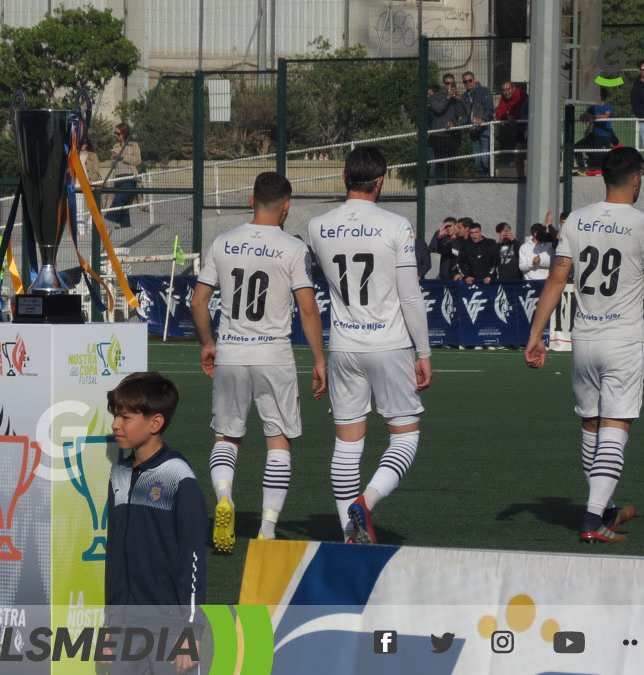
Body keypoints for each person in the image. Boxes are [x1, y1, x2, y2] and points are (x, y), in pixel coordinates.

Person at [524, 146, 644, 543]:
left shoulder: (577, 220)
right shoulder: (643, 225)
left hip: (583, 340)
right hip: (622, 340)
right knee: (616, 427)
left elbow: (555, 280)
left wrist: (536, 333)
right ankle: (591, 521)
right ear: (636, 179)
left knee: (591, 425)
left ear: (604, 177)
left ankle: (605, 509)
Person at [189, 172, 328, 550]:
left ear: (251, 201)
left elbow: (198, 302)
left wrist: (207, 343)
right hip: (273, 355)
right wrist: (319, 358)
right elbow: (308, 307)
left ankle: (223, 496)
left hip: (232, 351)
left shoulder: (223, 242)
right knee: (278, 441)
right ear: (287, 207)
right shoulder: (293, 248)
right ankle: (267, 529)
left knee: (227, 436)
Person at [307, 147, 433, 544]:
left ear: (345, 178)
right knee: (405, 436)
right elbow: (410, 297)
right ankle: (366, 503)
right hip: (391, 343)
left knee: (347, 443)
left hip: (343, 346)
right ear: (381, 182)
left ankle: (349, 532)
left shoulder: (317, 226)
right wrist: (424, 352)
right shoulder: (396, 225)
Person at [104, 372, 206, 672]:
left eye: (125, 417)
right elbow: (115, 554)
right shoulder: (119, 474)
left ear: (155, 423)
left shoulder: (179, 476)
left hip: (169, 627)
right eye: (115, 416)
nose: (115, 425)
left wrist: (190, 627)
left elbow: (194, 556)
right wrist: (111, 620)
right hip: (125, 626)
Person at [428, 78, 464, 185]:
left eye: (452, 83)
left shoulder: (455, 98)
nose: (450, 85)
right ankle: (440, 188)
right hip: (439, 136)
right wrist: (448, 97)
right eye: (448, 83)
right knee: (439, 164)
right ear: (443, 84)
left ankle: (451, 188)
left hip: (452, 135)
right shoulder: (435, 96)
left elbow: (460, 113)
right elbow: (438, 109)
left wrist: (458, 99)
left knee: (452, 164)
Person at [105, 123, 141, 228]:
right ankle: (126, 227)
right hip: (118, 177)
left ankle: (110, 218)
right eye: (115, 133)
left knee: (120, 198)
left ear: (124, 133)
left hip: (129, 177)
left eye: (118, 133)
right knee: (124, 206)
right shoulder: (115, 146)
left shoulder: (133, 145)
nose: (116, 135)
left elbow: (138, 161)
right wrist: (115, 157)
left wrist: (123, 156)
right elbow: (113, 164)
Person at [461, 71, 494, 175]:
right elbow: (465, 115)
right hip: (473, 131)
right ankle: (482, 180)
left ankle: (490, 179)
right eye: (465, 82)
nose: (468, 83)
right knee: (477, 161)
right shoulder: (464, 96)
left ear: (474, 80)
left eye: (470, 80)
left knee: (485, 159)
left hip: (484, 129)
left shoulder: (484, 91)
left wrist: (483, 119)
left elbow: (489, 110)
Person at [575, 87, 616, 172]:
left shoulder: (607, 106)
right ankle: (582, 170)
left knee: (600, 156)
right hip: (594, 136)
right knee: (576, 147)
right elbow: (584, 115)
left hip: (604, 138)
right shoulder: (593, 107)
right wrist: (583, 116)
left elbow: (605, 116)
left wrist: (591, 116)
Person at [495, 82, 529, 178]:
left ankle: (532, 178)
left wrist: (514, 117)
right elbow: (499, 114)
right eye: (504, 90)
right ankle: (521, 178)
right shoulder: (504, 98)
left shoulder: (522, 96)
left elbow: (525, 112)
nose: (506, 92)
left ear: (513, 88)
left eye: (508, 89)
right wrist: (508, 117)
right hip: (520, 128)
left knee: (531, 154)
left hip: (529, 127)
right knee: (518, 154)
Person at [74, 136, 101, 236]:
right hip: (78, 186)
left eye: (85, 142)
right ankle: (81, 234)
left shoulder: (93, 155)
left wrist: (92, 180)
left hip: (90, 185)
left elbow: (96, 171)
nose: (83, 145)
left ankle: (90, 231)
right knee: (79, 210)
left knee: (92, 209)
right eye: (81, 142)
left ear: (87, 143)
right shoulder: (74, 155)